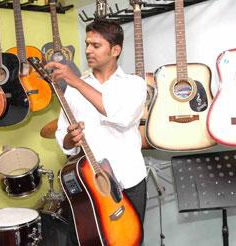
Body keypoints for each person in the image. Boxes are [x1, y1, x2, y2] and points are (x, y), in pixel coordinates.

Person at [46, 19, 148, 245]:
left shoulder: (134, 84)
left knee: (130, 242)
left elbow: (120, 117)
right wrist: (70, 138)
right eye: (87, 44)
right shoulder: (73, 90)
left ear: (115, 50)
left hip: (129, 182)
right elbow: (63, 139)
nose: (88, 50)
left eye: (96, 45)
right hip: (88, 188)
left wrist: (76, 82)